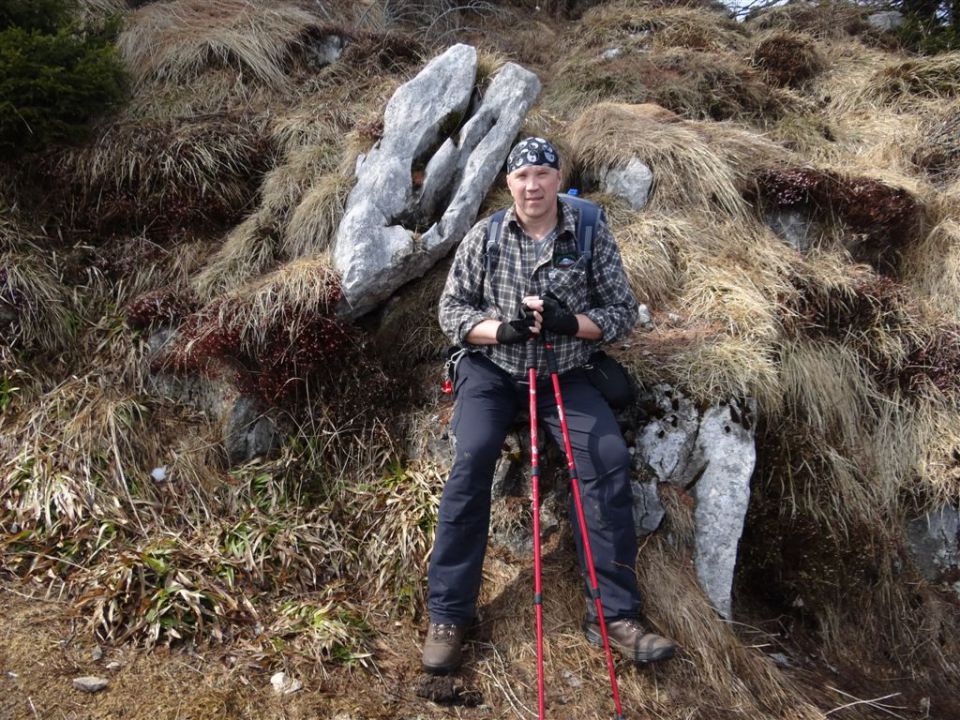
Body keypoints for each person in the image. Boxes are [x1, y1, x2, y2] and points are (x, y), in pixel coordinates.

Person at [421, 137, 678, 675]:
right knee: (471, 461)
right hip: (493, 371)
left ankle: (614, 617)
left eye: (542, 173)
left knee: (605, 460)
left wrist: (571, 324)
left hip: (567, 370)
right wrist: (501, 331)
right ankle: (449, 614)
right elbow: (452, 310)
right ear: (509, 183)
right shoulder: (486, 236)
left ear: (558, 179)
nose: (532, 185)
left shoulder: (588, 231)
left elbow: (620, 310)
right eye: (522, 176)